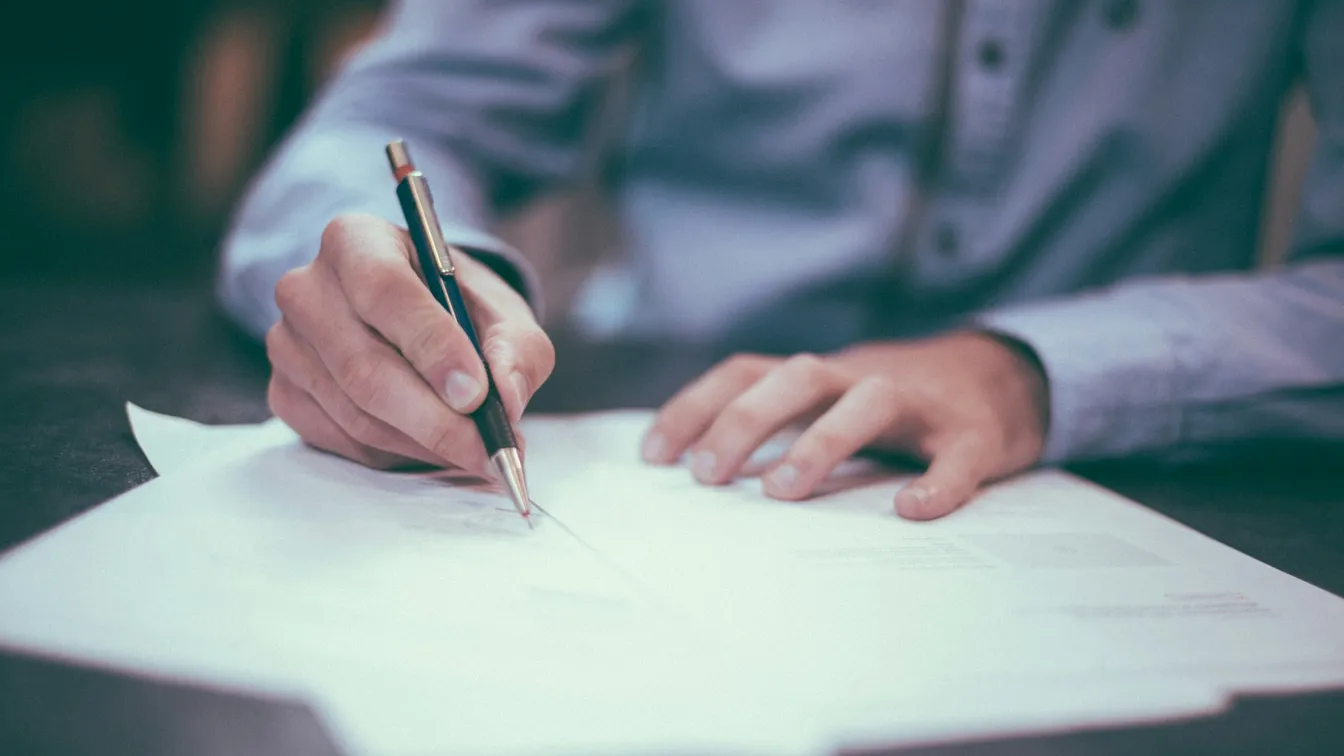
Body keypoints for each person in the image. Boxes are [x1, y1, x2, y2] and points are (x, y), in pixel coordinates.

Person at [218, 1, 1344, 520]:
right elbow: (400, 114)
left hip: (1147, 479)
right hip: (665, 438)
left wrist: (1032, 369)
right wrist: (410, 288)